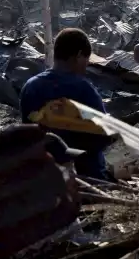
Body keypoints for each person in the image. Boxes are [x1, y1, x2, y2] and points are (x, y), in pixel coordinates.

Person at [20, 28, 109, 180]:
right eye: (87, 59)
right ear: (79, 55)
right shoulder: (84, 89)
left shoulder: (30, 87)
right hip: (87, 178)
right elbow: (102, 136)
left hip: (43, 177)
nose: (86, 65)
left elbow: (28, 134)